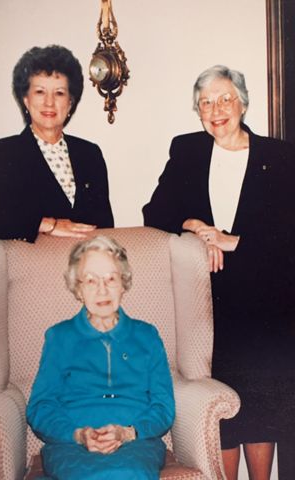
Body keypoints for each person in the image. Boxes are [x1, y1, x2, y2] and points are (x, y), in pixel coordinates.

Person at [143, 65, 295, 480]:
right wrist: (196, 227)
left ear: (243, 103)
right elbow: (154, 214)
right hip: (210, 302)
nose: (216, 109)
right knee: (222, 405)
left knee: (262, 406)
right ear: (198, 112)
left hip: (266, 304)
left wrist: (235, 241)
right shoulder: (188, 150)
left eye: (225, 98)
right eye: (206, 103)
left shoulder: (279, 157)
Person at [27, 235, 175, 480]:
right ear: (78, 288)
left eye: (110, 279)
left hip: (135, 444)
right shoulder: (59, 337)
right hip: (71, 445)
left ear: (123, 283)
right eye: (91, 281)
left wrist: (128, 433)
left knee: (129, 474)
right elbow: (40, 407)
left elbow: (163, 406)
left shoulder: (147, 336)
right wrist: (77, 435)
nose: (102, 290)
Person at [0, 45, 114, 245]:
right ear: (26, 99)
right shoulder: (1, 154)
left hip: (85, 270)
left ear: (70, 102)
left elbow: (105, 224)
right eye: (40, 92)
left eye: (59, 93)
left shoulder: (90, 154)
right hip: (30, 270)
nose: (49, 103)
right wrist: (47, 224)